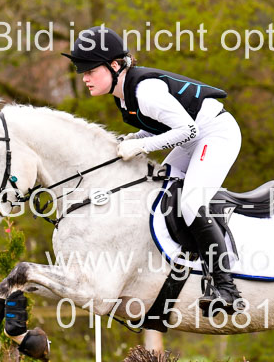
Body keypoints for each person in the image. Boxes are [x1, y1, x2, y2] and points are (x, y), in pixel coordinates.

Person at [62, 25, 243, 315]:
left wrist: (141, 147)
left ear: (114, 65)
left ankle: (226, 288)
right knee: (160, 189)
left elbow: (188, 129)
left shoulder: (145, 91)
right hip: (194, 137)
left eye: (90, 70)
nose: (84, 78)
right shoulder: (122, 94)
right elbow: (161, 128)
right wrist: (136, 139)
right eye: (82, 71)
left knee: (190, 202)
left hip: (215, 134)